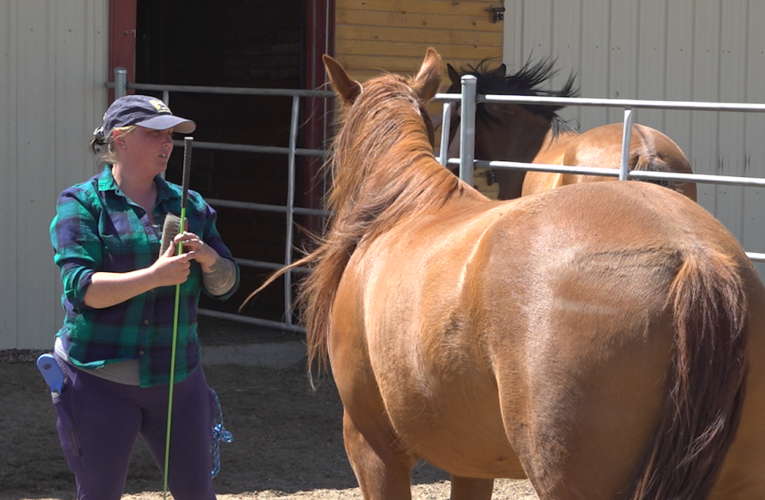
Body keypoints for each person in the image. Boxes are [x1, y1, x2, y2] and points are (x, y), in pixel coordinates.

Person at [48, 94, 240, 499]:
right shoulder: (82, 203)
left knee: (198, 494)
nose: (167, 144)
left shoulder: (191, 205)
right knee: (100, 492)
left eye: (171, 136)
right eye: (156, 135)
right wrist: (155, 277)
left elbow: (226, 284)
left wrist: (208, 259)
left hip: (179, 377)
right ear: (120, 140)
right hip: (98, 378)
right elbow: (82, 290)